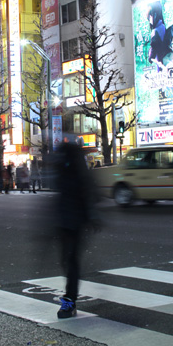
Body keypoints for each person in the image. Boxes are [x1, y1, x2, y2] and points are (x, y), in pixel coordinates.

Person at [54, 136, 100, 319]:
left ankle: (69, 301)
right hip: (68, 220)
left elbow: (87, 193)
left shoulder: (74, 171)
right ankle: (69, 300)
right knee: (68, 260)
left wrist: (92, 215)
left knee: (70, 261)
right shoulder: (67, 170)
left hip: (72, 221)